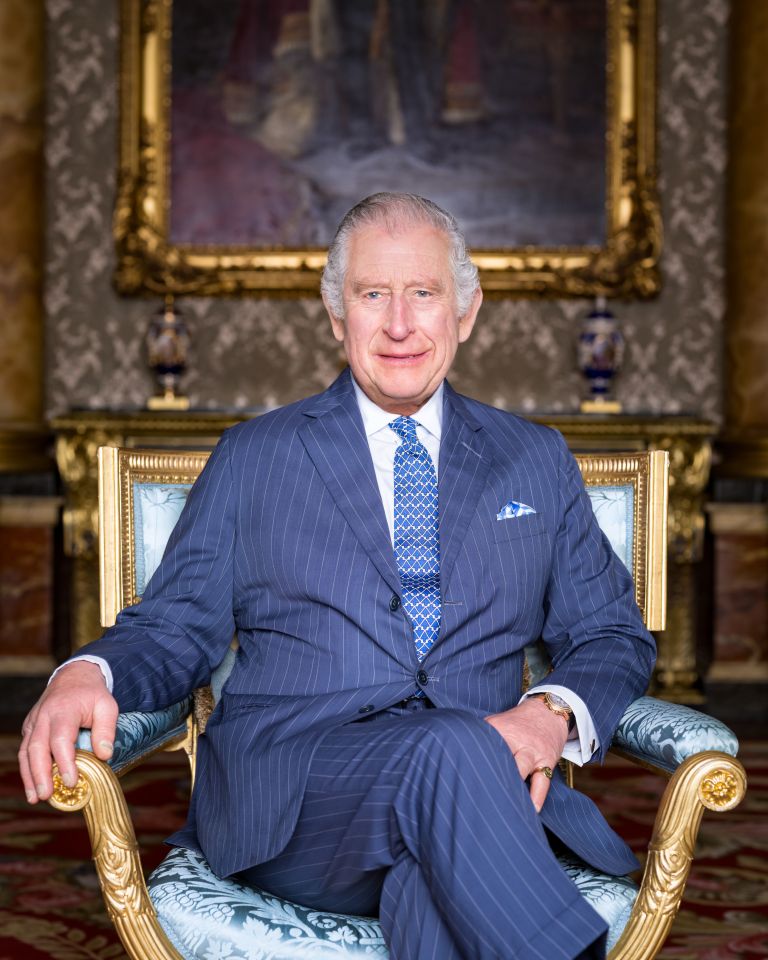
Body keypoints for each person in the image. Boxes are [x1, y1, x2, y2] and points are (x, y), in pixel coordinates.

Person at [19, 193, 655, 959]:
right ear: (335, 316)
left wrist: (549, 713)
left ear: (466, 310)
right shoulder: (255, 458)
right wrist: (85, 672)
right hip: (297, 798)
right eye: (371, 295)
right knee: (450, 749)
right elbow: (173, 625)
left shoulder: (535, 459)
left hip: (483, 804)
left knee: (428, 879)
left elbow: (611, 633)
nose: (398, 324)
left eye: (423, 293)